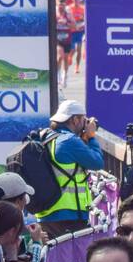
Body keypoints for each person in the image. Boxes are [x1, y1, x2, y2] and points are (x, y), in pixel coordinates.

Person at [32, 101, 105, 237]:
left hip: (46, 213)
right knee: (74, 258)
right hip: (68, 215)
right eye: (84, 119)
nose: (85, 123)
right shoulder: (69, 141)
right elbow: (97, 162)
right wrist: (91, 137)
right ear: (75, 119)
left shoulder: (47, 136)